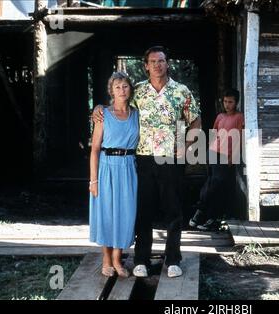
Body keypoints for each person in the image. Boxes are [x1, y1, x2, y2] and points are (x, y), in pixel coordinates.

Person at [93, 46, 201, 278]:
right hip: (141, 158)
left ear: (167, 63)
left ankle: (173, 260)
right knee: (143, 209)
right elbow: (117, 102)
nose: (157, 65)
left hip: (170, 159)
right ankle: (141, 259)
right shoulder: (138, 91)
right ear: (145, 65)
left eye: (161, 61)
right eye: (152, 61)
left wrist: (183, 146)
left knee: (173, 210)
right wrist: (98, 108)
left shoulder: (181, 91)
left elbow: (196, 124)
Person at [89, 72, 139, 278]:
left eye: (125, 86)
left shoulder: (136, 113)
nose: (122, 90)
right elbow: (94, 149)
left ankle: (118, 259)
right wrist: (93, 179)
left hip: (128, 167)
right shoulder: (103, 115)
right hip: (107, 167)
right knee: (107, 213)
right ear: (111, 90)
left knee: (126, 214)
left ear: (130, 90)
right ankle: (106, 259)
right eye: (117, 87)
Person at [189, 88, 244, 231]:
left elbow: (240, 138)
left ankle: (209, 217)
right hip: (213, 152)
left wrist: (234, 155)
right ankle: (202, 214)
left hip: (227, 155)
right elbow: (214, 134)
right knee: (209, 184)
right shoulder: (220, 116)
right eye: (225, 102)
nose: (227, 105)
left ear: (236, 102)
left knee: (217, 186)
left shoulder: (239, 117)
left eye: (230, 102)